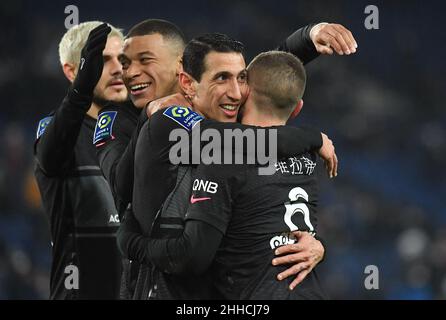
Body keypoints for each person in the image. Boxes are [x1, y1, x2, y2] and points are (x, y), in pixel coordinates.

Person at [118, 33, 340, 299]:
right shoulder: (171, 120)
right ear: (188, 84)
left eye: (241, 78)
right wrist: (312, 138)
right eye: (222, 78)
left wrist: (317, 244)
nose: (236, 92)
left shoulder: (232, 139)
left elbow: (271, 77)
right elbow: (248, 139)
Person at [34, 22, 126, 299]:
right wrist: (80, 93)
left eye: (122, 59)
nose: (118, 69)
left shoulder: (138, 133)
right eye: (103, 60)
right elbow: (49, 156)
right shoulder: (56, 132)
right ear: (72, 71)